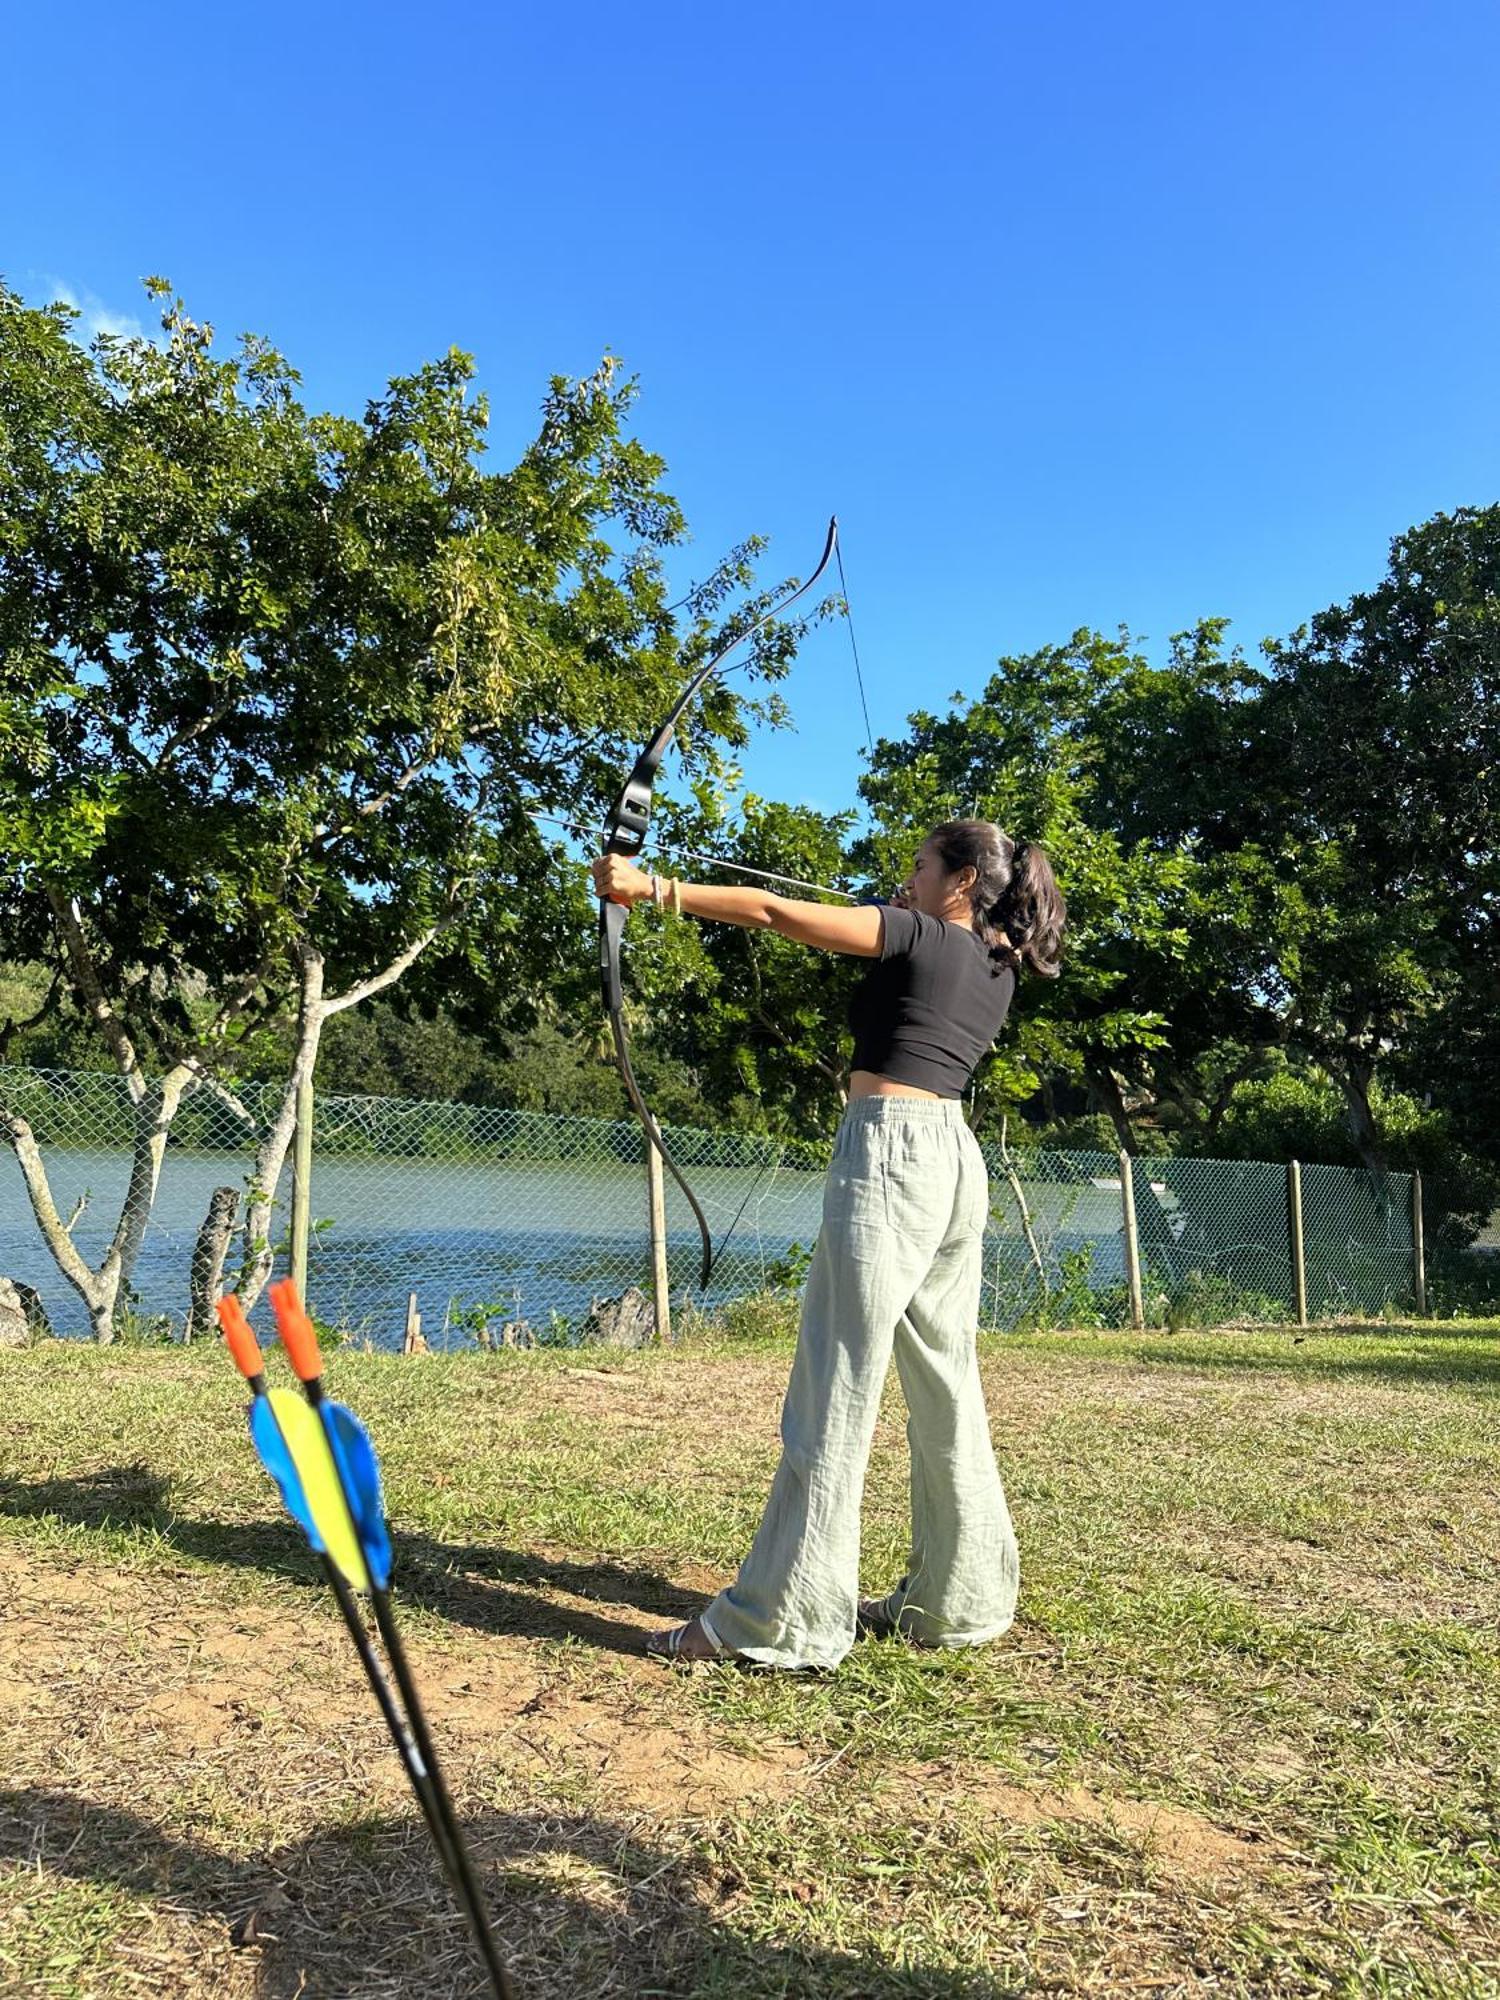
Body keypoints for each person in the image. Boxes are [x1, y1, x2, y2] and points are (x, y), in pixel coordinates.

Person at [591, 819, 1066, 1671]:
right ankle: (957, 1600)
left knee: (835, 1385)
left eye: (922, 866)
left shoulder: (921, 933)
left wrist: (653, 888)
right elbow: (911, 969)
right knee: (944, 1380)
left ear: (960, 879)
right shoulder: (998, 963)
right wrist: (906, 916)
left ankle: (782, 1619)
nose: (908, 877)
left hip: (892, 1149)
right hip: (955, 1158)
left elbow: (775, 914)